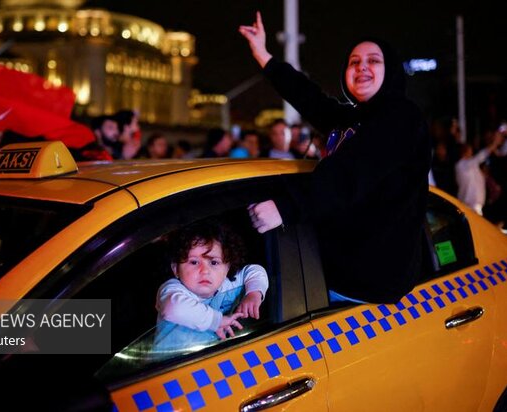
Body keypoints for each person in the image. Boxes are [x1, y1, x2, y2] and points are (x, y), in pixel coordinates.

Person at [240, 12, 431, 304]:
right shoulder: (353, 118)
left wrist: (286, 207)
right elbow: (310, 98)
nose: (361, 67)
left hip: (366, 287)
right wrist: (264, 55)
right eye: (354, 62)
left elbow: (351, 173)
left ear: (390, 70)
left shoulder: (401, 116)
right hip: (332, 270)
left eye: (373, 61)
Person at [154, 219, 268, 351]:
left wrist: (253, 293)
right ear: (176, 269)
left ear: (227, 267)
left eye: (214, 262)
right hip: (167, 365)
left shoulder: (228, 284)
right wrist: (217, 321)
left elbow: (254, 271)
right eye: (194, 262)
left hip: (209, 358)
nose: (205, 271)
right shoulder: (172, 290)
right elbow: (173, 308)